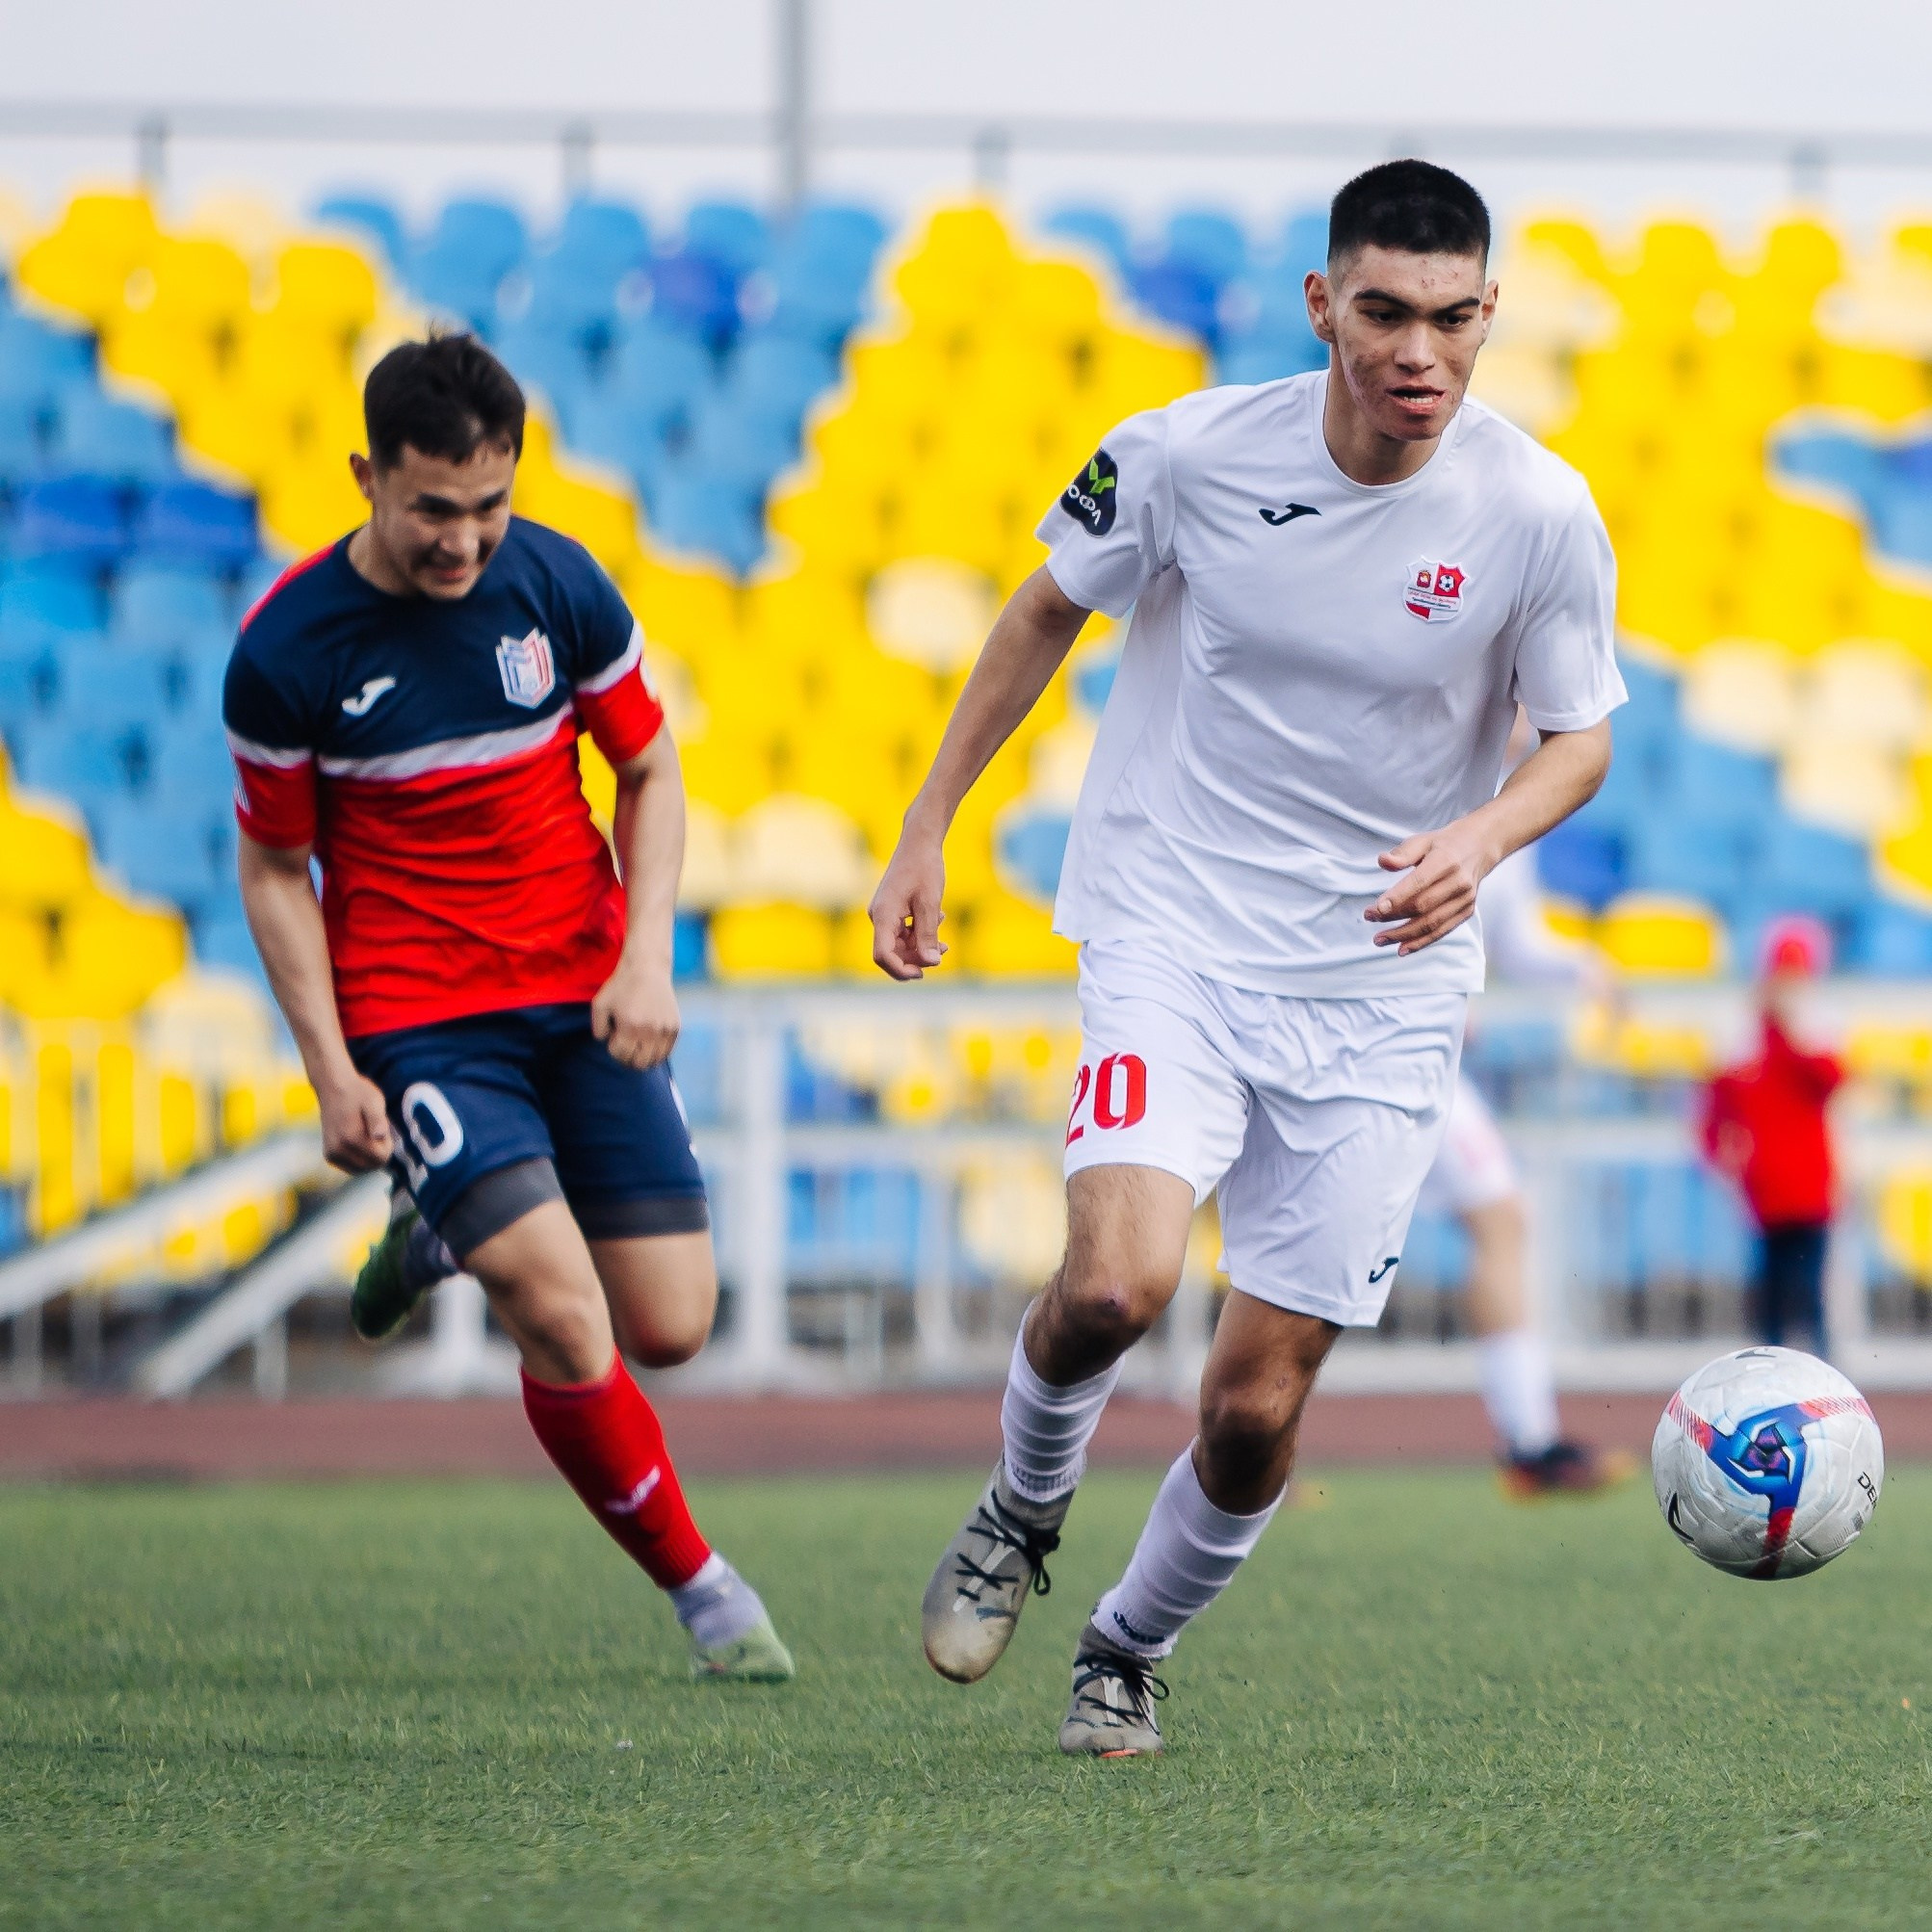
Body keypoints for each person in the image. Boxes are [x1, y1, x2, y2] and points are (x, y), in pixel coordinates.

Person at [870, 159, 1623, 1757]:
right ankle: (1023, 1499)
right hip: (1176, 931)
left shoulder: (1538, 508)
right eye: (1385, 313)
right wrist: (930, 818)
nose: (1421, 351)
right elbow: (1035, 613)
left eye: (1453, 317)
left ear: (1489, 313)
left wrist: (1480, 841)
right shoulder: (1186, 454)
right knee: (1112, 1285)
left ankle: (1124, 1648)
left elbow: (1578, 742)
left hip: (1380, 983)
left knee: (1254, 1407)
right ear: (1323, 306)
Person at [223, 332, 793, 1682]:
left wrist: (646, 956)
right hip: (420, 1018)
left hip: (584, 993)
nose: (463, 541)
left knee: (670, 1326)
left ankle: (438, 1231)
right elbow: (269, 865)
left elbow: (650, 770)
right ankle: (706, 1592)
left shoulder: (559, 583)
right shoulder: (289, 651)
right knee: (561, 1313)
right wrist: (327, 1068)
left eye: (488, 505)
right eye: (431, 507)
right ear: (366, 476)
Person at [1417, 772, 1632, 1498]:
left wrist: (1582, 964)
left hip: (1428, 1057)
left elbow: (1517, 940)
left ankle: (1531, 1442)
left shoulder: (1513, 800)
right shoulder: (1418, 769)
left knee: (1501, 1219)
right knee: (1334, 1247)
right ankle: (1240, 1439)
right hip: (1387, 1044)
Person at [1701, 916, 1842, 1352]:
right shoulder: (1744, 1037)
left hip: (1810, 1186)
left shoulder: (1813, 1030)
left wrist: (1795, 1028)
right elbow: (1715, 1108)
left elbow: (1832, 1079)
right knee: (1772, 1294)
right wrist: (1721, 1157)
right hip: (1764, 1188)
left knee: (1809, 1291)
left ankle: (1820, 1381)